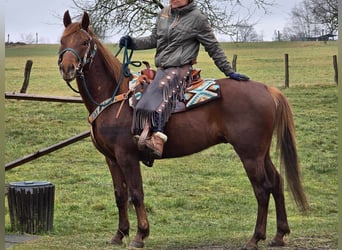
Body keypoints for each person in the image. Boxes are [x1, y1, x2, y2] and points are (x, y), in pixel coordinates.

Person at [119, 0, 249, 158]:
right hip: (162, 69)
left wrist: (228, 71)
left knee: (160, 98)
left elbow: (213, 47)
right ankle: (143, 135)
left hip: (180, 69)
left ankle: (158, 138)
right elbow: (154, 39)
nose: (173, 0)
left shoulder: (197, 18)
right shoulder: (164, 13)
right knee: (144, 99)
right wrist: (132, 42)